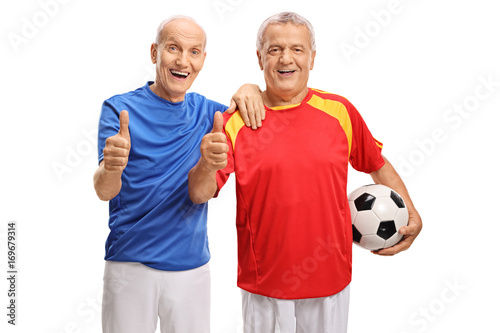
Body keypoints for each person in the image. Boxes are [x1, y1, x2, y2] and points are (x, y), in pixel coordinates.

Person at [188, 12, 423, 333]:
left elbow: (376, 164)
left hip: (330, 280)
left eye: (297, 49)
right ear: (259, 58)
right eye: (274, 49)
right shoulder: (236, 121)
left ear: (312, 58)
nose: (286, 58)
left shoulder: (340, 112)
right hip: (265, 285)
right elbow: (199, 194)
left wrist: (412, 213)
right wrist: (206, 163)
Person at [93, 16, 264, 333]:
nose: (183, 61)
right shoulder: (119, 110)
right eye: (173, 48)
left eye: (194, 51)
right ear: (155, 52)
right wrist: (111, 167)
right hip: (128, 263)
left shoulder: (211, 114)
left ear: (202, 59)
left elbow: (265, 109)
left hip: (191, 268)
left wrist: (249, 87)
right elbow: (105, 190)